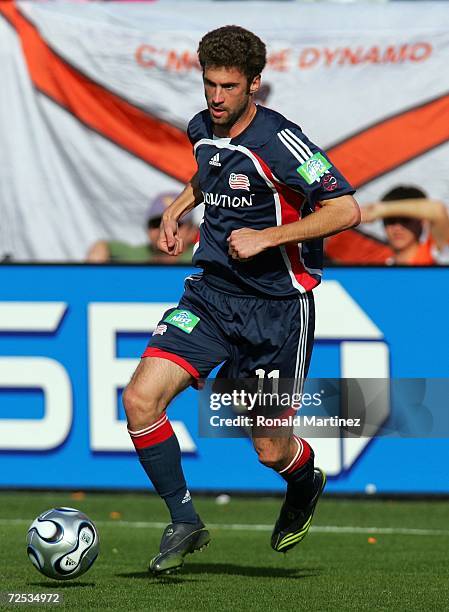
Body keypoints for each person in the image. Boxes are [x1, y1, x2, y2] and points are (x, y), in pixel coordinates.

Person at [123, 25, 360, 575]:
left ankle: (304, 479)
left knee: (270, 450)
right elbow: (210, 173)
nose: (216, 97)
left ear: (254, 83)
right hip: (209, 295)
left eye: (228, 87)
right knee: (140, 400)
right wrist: (176, 208)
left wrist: (268, 238)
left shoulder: (281, 141)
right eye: (209, 84)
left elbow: (346, 209)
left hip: (276, 310)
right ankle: (184, 520)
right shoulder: (202, 127)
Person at [86, 192, 197, 263]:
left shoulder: (201, 259)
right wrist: (99, 248)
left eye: (176, 223)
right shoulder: (138, 255)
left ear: (192, 231)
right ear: (147, 229)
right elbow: (105, 246)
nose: (164, 229)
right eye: (156, 223)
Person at [361, 186, 449, 265]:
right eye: (390, 220)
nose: (397, 228)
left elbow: (439, 210)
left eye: (405, 220)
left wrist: (382, 210)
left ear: (422, 221)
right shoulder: (377, 269)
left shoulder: (438, 255)